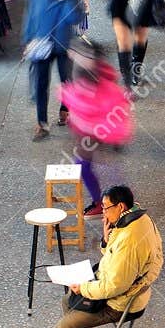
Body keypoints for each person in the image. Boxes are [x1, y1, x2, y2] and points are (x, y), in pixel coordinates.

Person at [57, 185, 164, 328]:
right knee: (67, 301)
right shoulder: (140, 219)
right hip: (120, 288)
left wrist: (83, 288)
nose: (104, 213)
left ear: (120, 207)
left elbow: (114, 286)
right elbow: (125, 259)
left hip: (121, 303)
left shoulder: (129, 240)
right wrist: (107, 240)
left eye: (106, 208)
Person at [59, 35, 132, 215]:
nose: (74, 55)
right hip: (93, 130)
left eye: (81, 54)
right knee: (92, 165)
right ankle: (113, 203)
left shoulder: (94, 75)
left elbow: (96, 103)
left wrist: (81, 120)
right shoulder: (80, 68)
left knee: (92, 165)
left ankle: (113, 205)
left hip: (98, 129)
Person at [22, 0, 88, 140]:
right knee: (41, 83)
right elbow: (30, 19)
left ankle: (65, 110)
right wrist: (27, 41)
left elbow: (76, 18)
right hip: (41, 47)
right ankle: (42, 123)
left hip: (63, 47)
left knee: (66, 81)